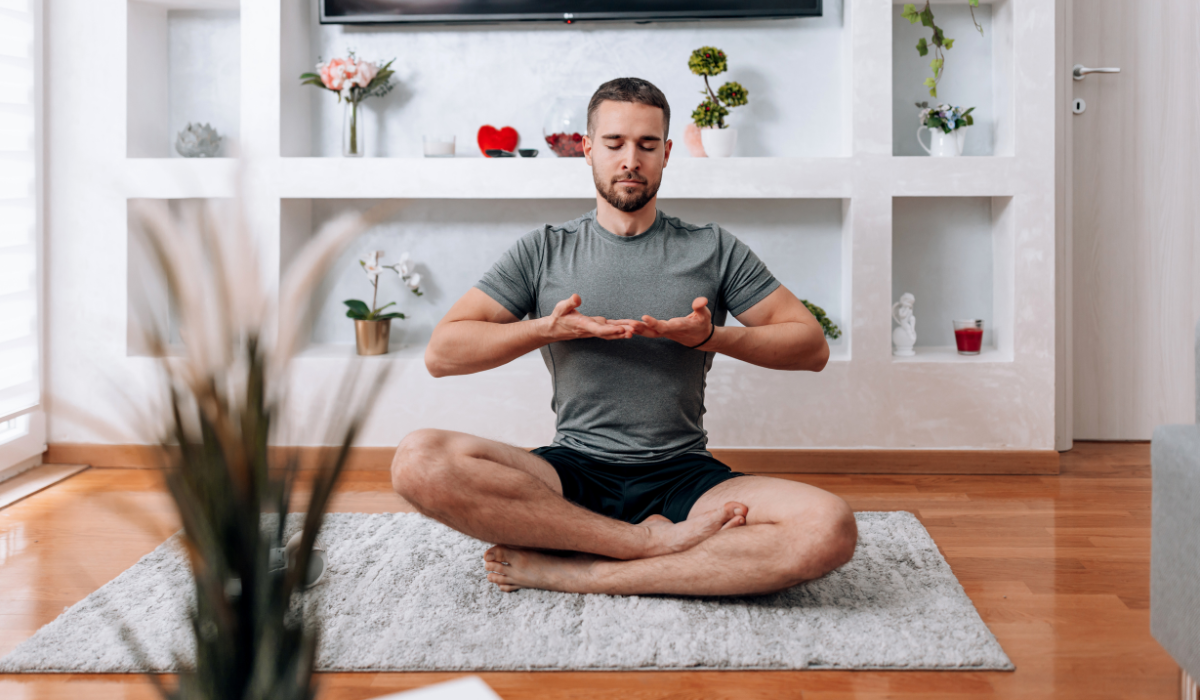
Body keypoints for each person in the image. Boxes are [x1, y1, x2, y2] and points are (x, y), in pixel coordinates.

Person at [390, 77, 857, 597]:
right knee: (418, 459)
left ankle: (590, 572)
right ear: (588, 150)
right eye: (614, 144)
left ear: (666, 154)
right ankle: (642, 544)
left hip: (684, 474)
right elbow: (443, 353)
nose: (630, 159)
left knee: (828, 526)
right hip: (571, 473)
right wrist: (548, 327)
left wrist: (709, 339)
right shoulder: (543, 250)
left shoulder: (713, 248)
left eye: (646, 145)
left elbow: (811, 347)